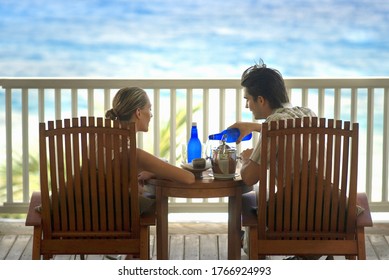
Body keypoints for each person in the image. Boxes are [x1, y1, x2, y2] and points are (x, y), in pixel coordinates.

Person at [228, 60, 317, 260]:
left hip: (294, 214)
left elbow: (250, 178)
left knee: (247, 201)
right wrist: (255, 126)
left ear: (261, 100)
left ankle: (249, 243)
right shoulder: (308, 114)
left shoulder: (273, 127)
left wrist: (246, 159)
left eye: (248, 99)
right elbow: (285, 127)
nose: (246, 105)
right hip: (324, 209)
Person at [105, 87, 195, 213]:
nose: (151, 114)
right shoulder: (134, 154)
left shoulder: (99, 141)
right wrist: (155, 173)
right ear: (138, 112)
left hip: (87, 214)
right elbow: (188, 178)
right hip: (119, 217)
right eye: (149, 109)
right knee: (152, 193)